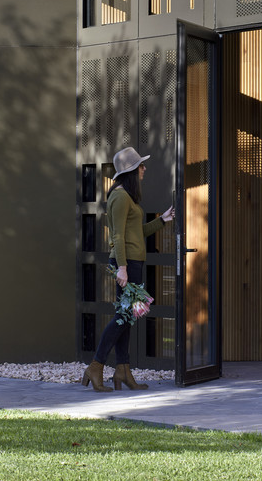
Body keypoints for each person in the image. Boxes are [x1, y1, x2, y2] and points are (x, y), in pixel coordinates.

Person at [82, 146, 174, 392]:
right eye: (141, 166)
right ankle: (96, 365)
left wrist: (162, 220)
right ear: (132, 171)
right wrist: (122, 268)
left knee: (128, 316)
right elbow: (119, 236)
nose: (144, 169)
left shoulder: (125, 197)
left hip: (131, 262)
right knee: (124, 316)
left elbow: (136, 233)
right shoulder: (121, 197)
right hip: (127, 264)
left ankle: (122, 370)